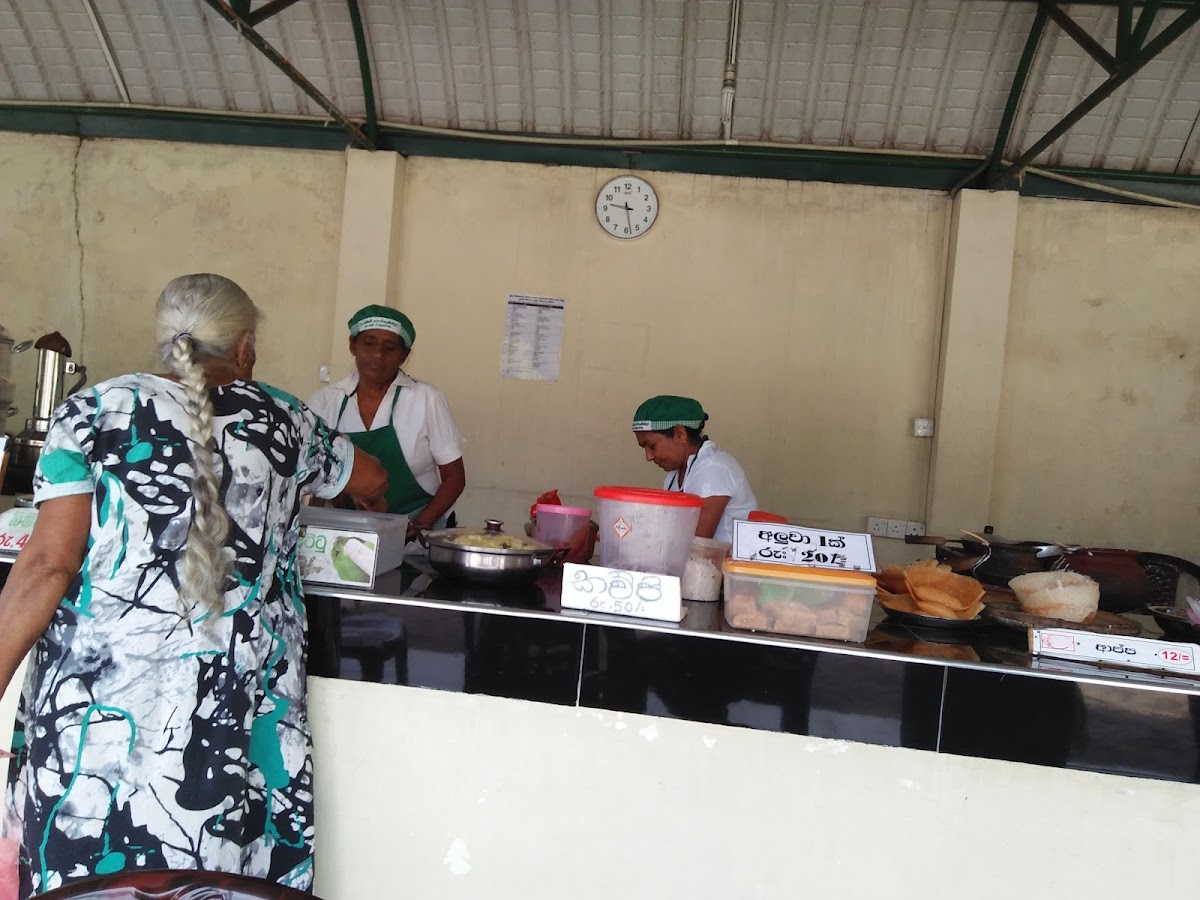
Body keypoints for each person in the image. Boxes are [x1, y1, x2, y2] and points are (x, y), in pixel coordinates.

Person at [0, 273, 387, 897]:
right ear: (244, 348)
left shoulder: (94, 412)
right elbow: (370, 479)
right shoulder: (288, 421)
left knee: (88, 876)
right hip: (234, 706)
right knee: (223, 875)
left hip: (98, 706)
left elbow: (47, 565)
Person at [307, 305, 465, 535]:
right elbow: (311, 469)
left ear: (404, 355)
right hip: (348, 532)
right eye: (368, 343)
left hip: (417, 532)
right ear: (353, 345)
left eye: (389, 348)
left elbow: (454, 478)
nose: (378, 355)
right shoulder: (325, 402)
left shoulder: (426, 399)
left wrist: (419, 526)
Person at [632, 395, 758, 544]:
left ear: (680, 434)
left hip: (728, 565)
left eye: (652, 446)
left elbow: (697, 542)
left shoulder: (713, 468)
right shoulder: (675, 475)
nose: (648, 456)